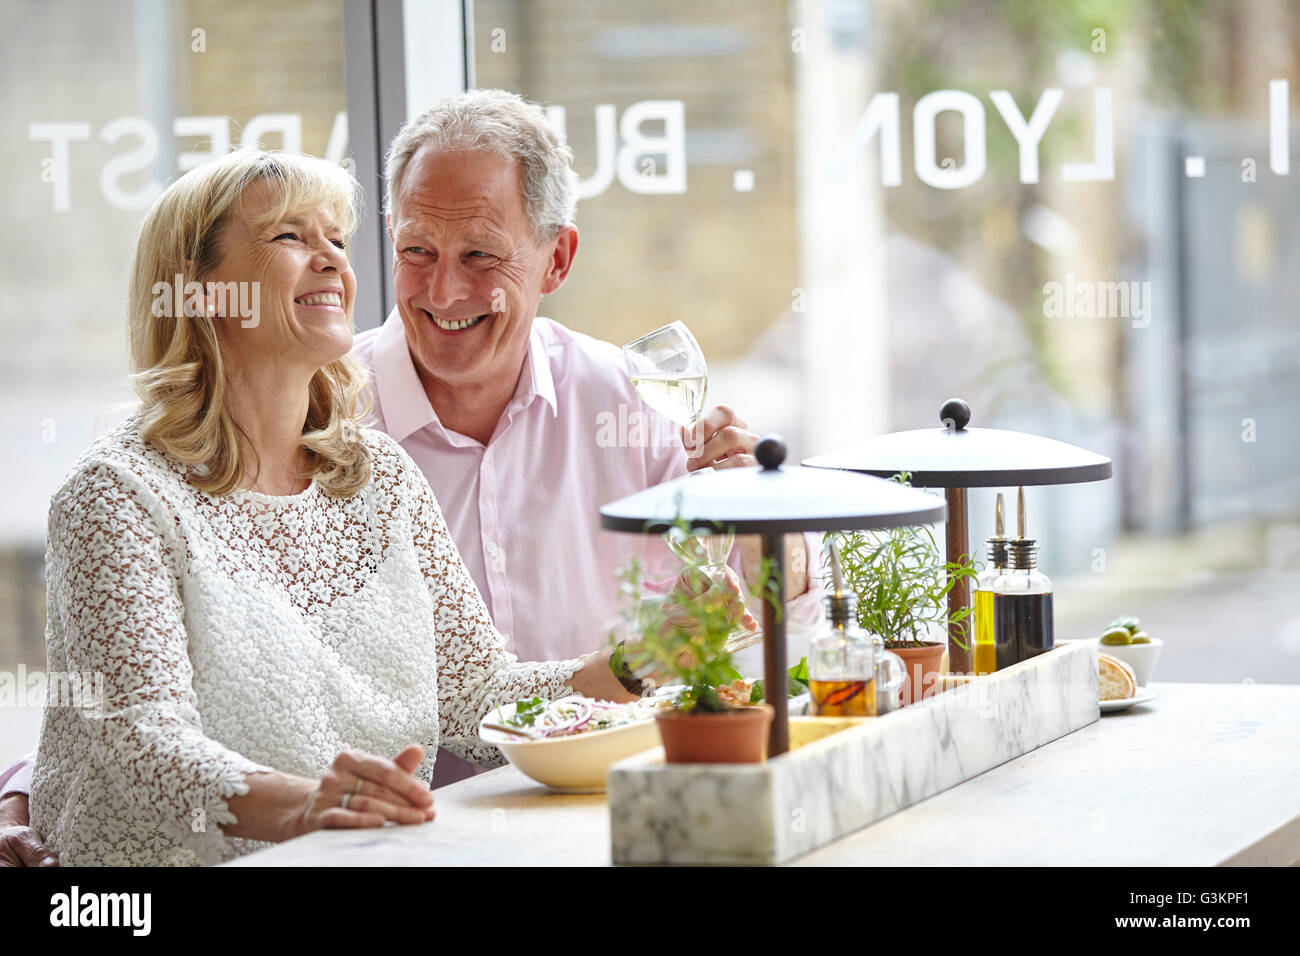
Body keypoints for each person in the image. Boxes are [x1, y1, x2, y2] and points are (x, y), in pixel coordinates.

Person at [0, 88, 813, 860]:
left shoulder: (375, 473)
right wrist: (309, 808)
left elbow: (475, 691)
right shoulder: (118, 497)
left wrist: (641, 659)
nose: (331, 261)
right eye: (290, 238)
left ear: (554, 259)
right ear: (205, 292)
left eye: (336, 240)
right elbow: (135, 743)